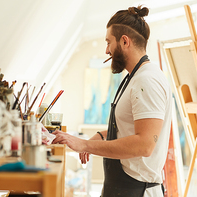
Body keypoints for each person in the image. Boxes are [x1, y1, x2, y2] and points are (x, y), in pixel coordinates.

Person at [52, 5, 172, 197]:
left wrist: (83, 145)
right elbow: (129, 126)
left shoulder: (147, 80)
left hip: (137, 191)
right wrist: (99, 136)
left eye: (109, 42)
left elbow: (145, 144)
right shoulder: (134, 77)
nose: (107, 50)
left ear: (124, 41)